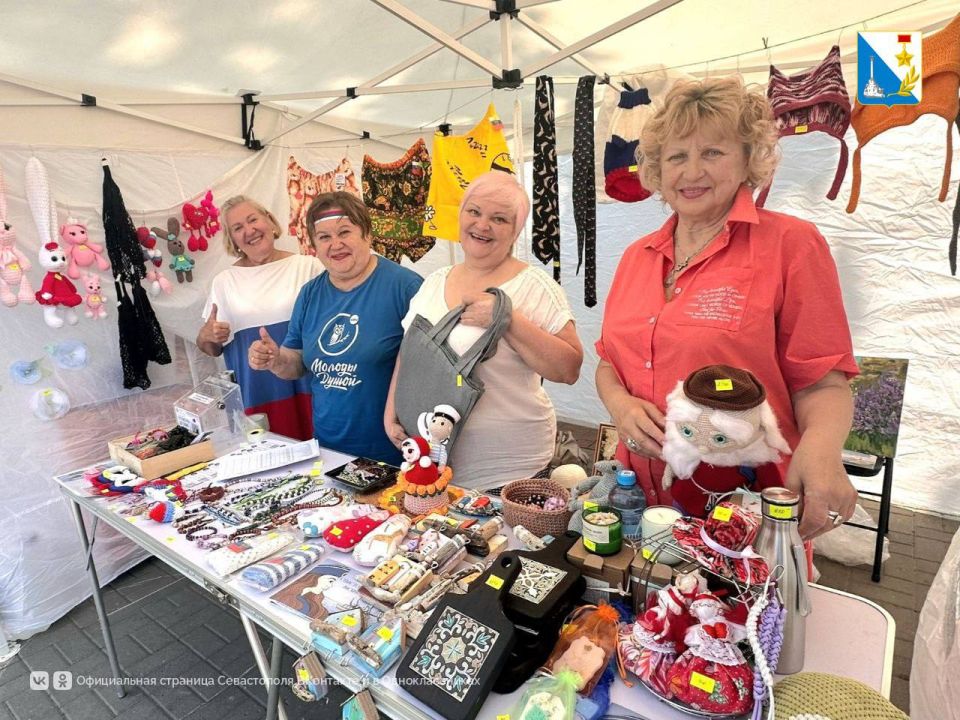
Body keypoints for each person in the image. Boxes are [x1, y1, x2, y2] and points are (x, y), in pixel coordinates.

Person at [595, 76, 859, 539]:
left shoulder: (790, 244)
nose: (692, 171)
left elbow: (822, 381)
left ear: (747, 159)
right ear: (657, 168)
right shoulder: (638, 256)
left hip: (742, 508)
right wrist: (621, 406)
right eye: (677, 156)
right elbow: (608, 364)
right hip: (636, 502)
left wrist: (821, 452)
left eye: (712, 152)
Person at [385, 171, 583, 489]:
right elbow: (411, 352)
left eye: (499, 219)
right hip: (432, 464)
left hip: (510, 471)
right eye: (474, 211)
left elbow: (568, 369)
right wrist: (392, 411)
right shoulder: (434, 281)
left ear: (516, 230)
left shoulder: (534, 286)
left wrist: (507, 319)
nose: (482, 225)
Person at [248, 191, 422, 463]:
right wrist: (275, 359)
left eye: (344, 232)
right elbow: (296, 363)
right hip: (329, 451)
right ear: (314, 246)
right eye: (324, 237)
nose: (335, 244)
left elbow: (430, 369)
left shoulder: (406, 287)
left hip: (396, 452)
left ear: (367, 234)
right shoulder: (310, 294)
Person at [197, 195, 321, 440]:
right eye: (238, 228)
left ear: (270, 221)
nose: (249, 230)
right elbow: (211, 348)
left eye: (253, 220)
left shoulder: (309, 267)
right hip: (257, 396)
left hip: (311, 386)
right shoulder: (225, 281)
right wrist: (207, 335)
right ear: (232, 239)